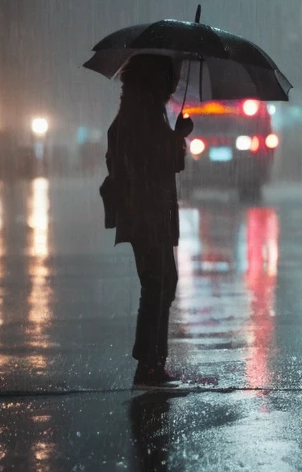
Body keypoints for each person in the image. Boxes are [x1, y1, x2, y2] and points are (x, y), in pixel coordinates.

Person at [105, 54, 194, 388]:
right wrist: (178, 135)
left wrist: (172, 135)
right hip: (148, 214)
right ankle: (149, 365)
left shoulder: (140, 112)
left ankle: (153, 362)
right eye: (171, 77)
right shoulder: (142, 115)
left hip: (149, 213)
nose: (173, 84)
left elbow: (161, 159)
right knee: (157, 284)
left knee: (161, 283)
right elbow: (163, 161)